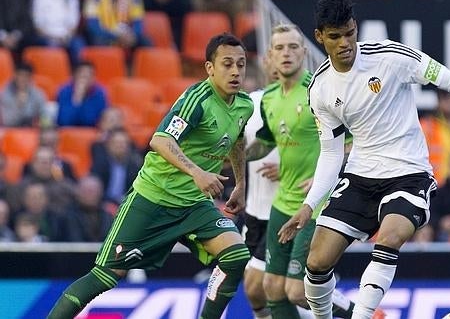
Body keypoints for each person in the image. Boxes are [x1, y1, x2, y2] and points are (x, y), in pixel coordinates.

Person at [277, 0, 450, 318]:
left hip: (409, 174)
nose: (345, 43)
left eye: (350, 33)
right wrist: (309, 206)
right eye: (335, 37)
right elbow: (332, 152)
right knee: (317, 261)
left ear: (356, 28)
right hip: (361, 177)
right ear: (320, 36)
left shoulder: (391, 57)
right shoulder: (320, 88)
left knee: (390, 237)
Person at [47, 32, 254, 319]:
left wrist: (241, 184)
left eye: (241, 65)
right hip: (153, 198)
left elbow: (237, 140)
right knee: (106, 276)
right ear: (210, 68)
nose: (235, 71)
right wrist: (196, 172)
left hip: (193, 204)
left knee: (236, 256)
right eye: (227, 64)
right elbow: (160, 140)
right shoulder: (197, 99)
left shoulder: (244, 105)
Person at [246, 24, 357, 319]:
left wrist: (326, 178)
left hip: (316, 206)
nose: (286, 53)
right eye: (280, 48)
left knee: (297, 292)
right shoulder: (269, 98)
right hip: (282, 205)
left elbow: (352, 143)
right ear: (270, 55)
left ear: (304, 52)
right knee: (271, 287)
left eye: (293, 47)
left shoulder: (319, 92)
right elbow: (266, 142)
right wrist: (229, 156)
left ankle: (358, 313)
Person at [243, 53, 280, 319]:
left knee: (259, 286)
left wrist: (290, 168)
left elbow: (330, 152)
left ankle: (359, 313)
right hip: (254, 213)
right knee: (258, 293)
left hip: (288, 211)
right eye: (274, 60)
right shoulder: (251, 104)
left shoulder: (309, 103)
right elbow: (236, 149)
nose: (280, 67)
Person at [31, 0, 86, 65]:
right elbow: (38, 27)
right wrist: (54, 39)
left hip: (67, 37)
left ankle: (77, 73)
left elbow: (74, 25)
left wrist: (66, 37)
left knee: (78, 44)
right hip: (47, 36)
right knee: (52, 46)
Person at [56, 60, 109, 127]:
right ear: (74, 76)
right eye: (83, 75)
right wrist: (77, 98)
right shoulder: (64, 91)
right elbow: (65, 121)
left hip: (92, 132)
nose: (86, 79)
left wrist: (83, 98)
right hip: (67, 131)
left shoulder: (100, 93)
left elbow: (91, 121)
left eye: (90, 75)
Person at [0, 62, 48, 127]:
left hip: (33, 131)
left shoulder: (38, 94)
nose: (22, 79)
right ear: (14, 75)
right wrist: (19, 106)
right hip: (12, 132)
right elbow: (8, 122)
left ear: (31, 77)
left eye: (26, 76)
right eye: (20, 75)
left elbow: (45, 118)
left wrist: (41, 122)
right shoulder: (4, 94)